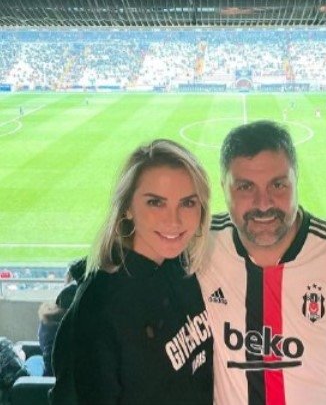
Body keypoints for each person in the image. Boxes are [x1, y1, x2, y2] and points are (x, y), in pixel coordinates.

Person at [198, 120, 326, 405]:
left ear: (296, 180)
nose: (263, 204)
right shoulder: (201, 244)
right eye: (245, 187)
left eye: (278, 185)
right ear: (224, 187)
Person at [51, 139, 213, 405]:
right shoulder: (98, 307)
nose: (173, 220)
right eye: (156, 202)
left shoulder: (183, 265)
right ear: (127, 207)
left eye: (187, 203)